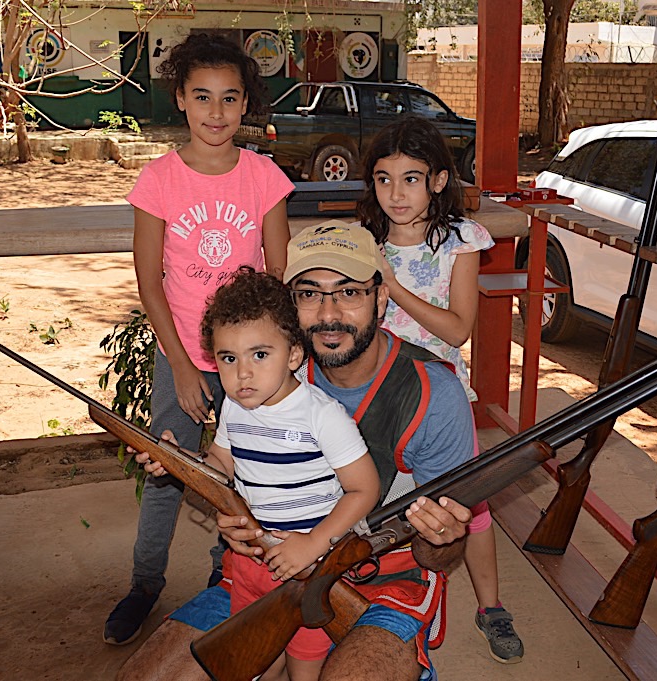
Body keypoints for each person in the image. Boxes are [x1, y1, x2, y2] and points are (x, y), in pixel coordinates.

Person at [118, 222, 476, 681]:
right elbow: (229, 468)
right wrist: (191, 477)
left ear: (381, 299)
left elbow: (441, 554)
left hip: (384, 577)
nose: (329, 313)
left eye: (349, 292)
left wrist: (444, 535)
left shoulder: (434, 393)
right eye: (309, 294)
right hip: (267, 566)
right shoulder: (260, 374)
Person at [103, 33, 294, 646]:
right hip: (180, 354)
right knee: (167, 471)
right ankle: (144, 583)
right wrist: (184, 366)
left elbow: (276, 277)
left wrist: (261, 360)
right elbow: (150, 282)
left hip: (250, 361)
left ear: (246, 104)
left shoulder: (264, 178)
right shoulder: (159, 180)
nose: (217, 112)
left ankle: (225, 575)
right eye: (203, 96)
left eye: (230, 98)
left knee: (246, 474)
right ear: (181, 99)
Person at [357, 115, 523, 664]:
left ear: (438, 181)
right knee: (373, 497)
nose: (395, 193)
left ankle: (491, 606)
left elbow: (457, 330)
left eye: (410, 178)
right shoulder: (365, 242)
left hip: (441, 398)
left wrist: (391, 285)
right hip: (376, 396)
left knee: (467, 505)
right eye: (383, 179)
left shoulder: (459, 241)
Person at [192, 267, 379, 680]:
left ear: (294, 355)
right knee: (252, 662)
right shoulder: (234, 406)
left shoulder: (322, 415)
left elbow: (364, 489)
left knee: (304, 670)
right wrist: (181, 462)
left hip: (310, 571)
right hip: (250, 563)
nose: (242, 373)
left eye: (259, 355)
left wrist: (312, 544)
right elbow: (221, 462)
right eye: (228, 358)